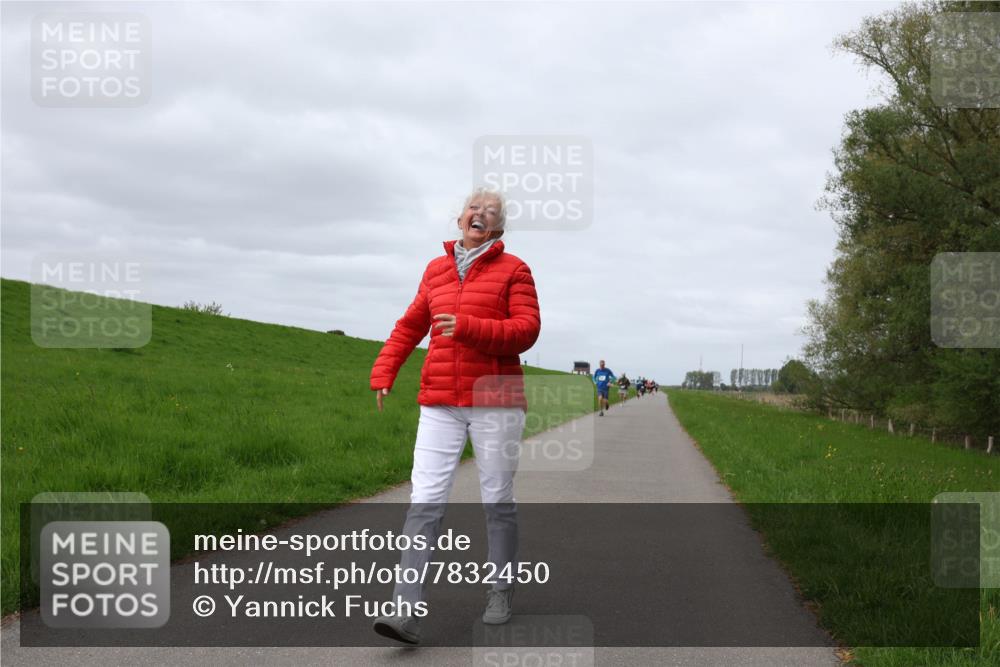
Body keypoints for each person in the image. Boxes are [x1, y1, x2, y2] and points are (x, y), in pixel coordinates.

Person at [369, 188, 541, 644]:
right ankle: (405, 610)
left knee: (497, 500)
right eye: (473, 208)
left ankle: (500, 590)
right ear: (460, 219)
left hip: (496, 402)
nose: (479, 214)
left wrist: (467, 327)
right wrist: (385, 370)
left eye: (490, 212)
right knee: (424, 500)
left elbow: (526, 331)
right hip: (440, 401)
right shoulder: (436, 270)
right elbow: (410, 325)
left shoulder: (515, 270)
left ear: (498, 228)